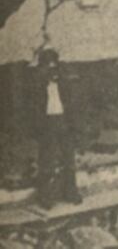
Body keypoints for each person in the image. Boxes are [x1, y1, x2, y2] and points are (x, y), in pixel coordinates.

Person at [32, 48, 82, 207]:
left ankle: (70, 192)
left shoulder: (64, 84)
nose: (52, 72)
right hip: (48, 124)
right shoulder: (38, 87)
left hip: (64, 122)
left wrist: (73, 126)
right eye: (48, 67)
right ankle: (46, 197)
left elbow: (72, 105)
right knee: (47, 162)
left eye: (54, 67)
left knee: (69, 160)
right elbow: (33, 110)